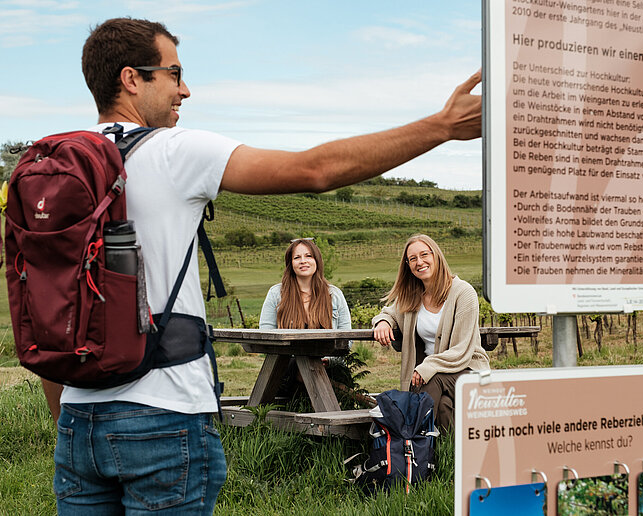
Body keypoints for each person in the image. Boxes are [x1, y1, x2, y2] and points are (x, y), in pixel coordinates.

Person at [41, 17, 481, 514]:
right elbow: (315, 170)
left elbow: (47, 302)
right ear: (131, 78)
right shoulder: (175, 151)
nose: (185, 89)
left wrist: (67, 416)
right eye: (173, 73)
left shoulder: (55, 167)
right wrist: (442, 126)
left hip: (79, 422)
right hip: (163, 417)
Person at [372, 234, 489, 431]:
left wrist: (428, 366)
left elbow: (461, 350)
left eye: (424, 254)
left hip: (467, 370)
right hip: (428, 376)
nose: (420, 262)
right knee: (443, 407)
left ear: (436, 256)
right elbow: (389, 313)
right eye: (413, 259)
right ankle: (444, 455)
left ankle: (408, 443)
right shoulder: (412, 296)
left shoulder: (463, 293)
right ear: (408, 265)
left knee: (430, 379)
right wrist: (382, 322)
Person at [259, 238, 351, 398]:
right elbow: (266, 336)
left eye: (308, 256)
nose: (303, 261)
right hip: (287, 368)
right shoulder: (276, 294)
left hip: (327, 365)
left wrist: (328, 360)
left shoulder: (334, 295)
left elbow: (346, 339)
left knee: (341, 371)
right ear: (290, 263)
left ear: (317, 260)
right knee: (296, 366)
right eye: (297, 257)